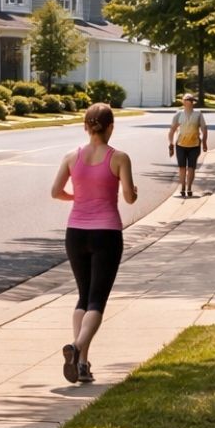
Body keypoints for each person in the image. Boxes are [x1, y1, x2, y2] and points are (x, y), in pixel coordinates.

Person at [51, 103, 138, 384]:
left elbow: (55, 192)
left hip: (75, 232)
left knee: (83, 296)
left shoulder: (70, 157)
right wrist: (132, 190)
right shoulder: (119, 158)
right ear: (110, 127)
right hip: (106, 233)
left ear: (86, 127)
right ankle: (76, 349)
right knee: (97, 299)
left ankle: (82, 365)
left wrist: (76, 198)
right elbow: (129, 197)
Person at [168, 93, 211, 198]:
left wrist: (204, 142)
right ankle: (182, 187)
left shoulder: (198, 114)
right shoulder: (178, 114)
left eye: (191, 100)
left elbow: (204, 129)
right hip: (181, 145)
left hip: (194, 145)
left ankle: (189, 187)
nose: (189, 102)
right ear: (183, 101)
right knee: (182, 167)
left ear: (193, 102)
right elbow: (172, 130)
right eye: (187, 99)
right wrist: (171, 144)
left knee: (191, 167)